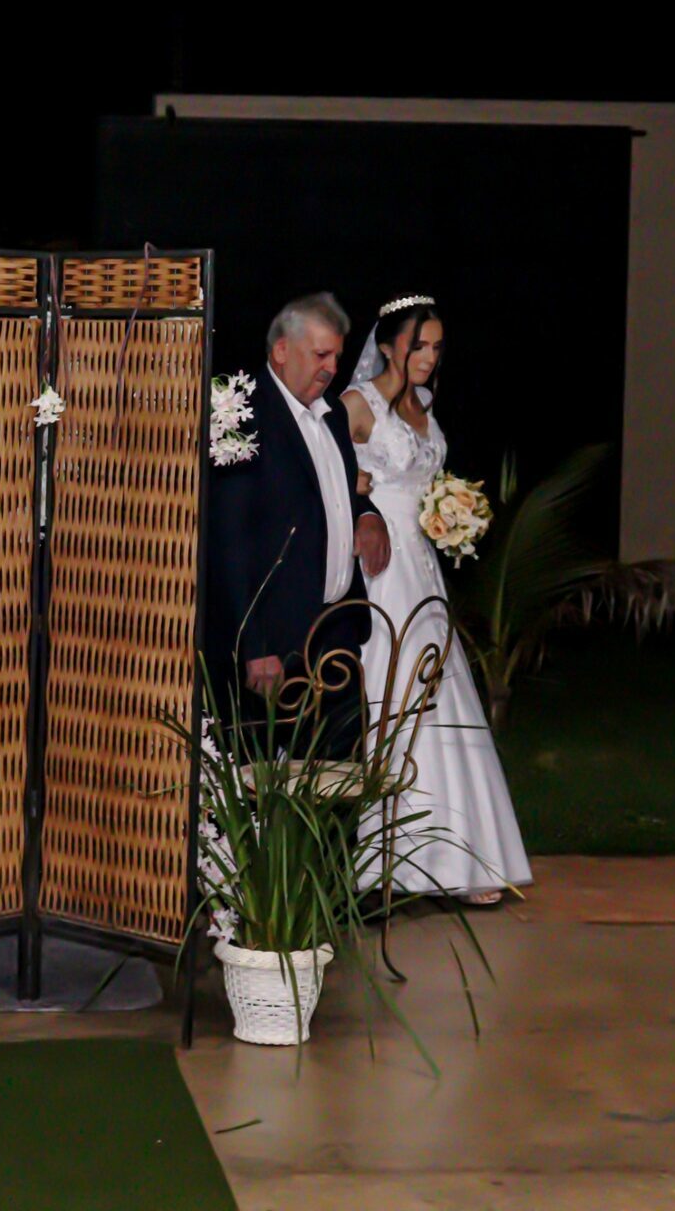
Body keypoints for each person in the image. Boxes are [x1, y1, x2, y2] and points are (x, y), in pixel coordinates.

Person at [342, 294, 531, 906]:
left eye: (437, 346)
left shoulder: (423, 403)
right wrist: (364, 508)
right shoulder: (357, 403)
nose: (428, 356)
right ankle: (389, 861)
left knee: (441, 693)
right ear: (388, 344)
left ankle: (460, 857)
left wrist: (452, 515)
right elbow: (331, 475)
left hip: (424, 568)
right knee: (398, 693)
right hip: (385, 569)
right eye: (418, 344)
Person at [203, 293, 391, 755]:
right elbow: (229, 541)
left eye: (337, 357)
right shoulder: (239, 413)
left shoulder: (335, 414)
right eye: (321, 354)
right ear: (282, 350)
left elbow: (337, 491)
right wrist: (255, 645)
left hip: (336, 630)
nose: (331, 368)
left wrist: (368, 515)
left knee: (344, 773)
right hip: (275, 646)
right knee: (267, 780)